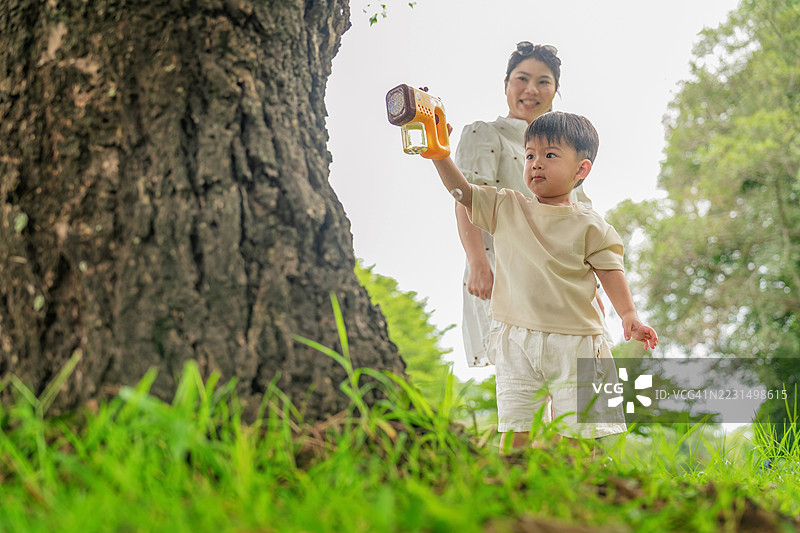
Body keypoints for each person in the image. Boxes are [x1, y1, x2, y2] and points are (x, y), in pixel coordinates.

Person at [432, 111, 658, 448]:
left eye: (550, 155)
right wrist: (440, 154)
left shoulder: (592, 225)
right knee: (516, 430)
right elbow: (462, 193)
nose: (536, 163)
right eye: (530, 155)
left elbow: (610, 270)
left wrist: (628, 315)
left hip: (577, 343)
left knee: (579, 438)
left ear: (580, 169)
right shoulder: (506, 207)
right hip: (516, 340)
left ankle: (577, 494)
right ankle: (514, 492)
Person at [454, 42, 604, 369]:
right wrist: (479, 264)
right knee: (520, 375)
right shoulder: (486, 134)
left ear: (555, 90)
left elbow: (582, 220)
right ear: (506, 85)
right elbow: (467, 198)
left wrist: (595, 286)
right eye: (522, 79)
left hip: (564, 282)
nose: (531, 89)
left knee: (571, 378)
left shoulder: (567, 150)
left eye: (544, 81)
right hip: (505, 274)